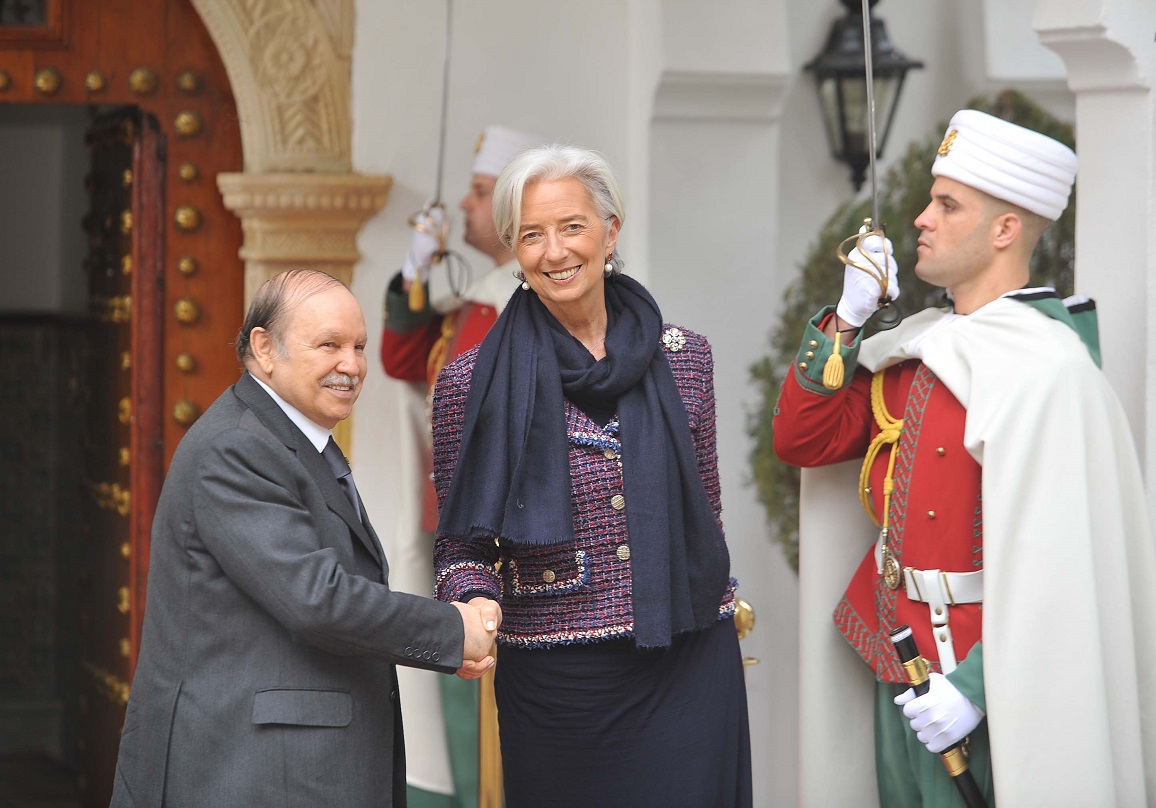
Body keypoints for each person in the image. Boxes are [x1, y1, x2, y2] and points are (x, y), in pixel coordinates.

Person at [773, 110, 1156, 806]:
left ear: (1005, 230)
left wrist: (975, 691)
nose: (921, 218)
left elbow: (1062, 570)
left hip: (997, 678)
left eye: (947, 206)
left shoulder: (1051, 370)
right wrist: (848, 320)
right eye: (930, 199)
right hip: (897, 654)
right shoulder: (920, 347)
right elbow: (805, 440)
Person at [430, 145, 753, 808]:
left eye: (571, 227)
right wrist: (470, 600)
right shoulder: (471, 383)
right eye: (531, 234)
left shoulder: (685, 359)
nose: (554, 252)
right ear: (515, 250)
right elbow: (460, 546)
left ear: (610, 230)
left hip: (688, 661)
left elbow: (706, 513)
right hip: (557, 683)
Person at [109, 269, 501, 808]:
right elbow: (317, 600)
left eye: (359, 346)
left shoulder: (289, 436)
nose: (352, 365)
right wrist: (453, 631)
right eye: (329, 345)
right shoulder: (237, 449)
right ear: (264, 348)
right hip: (251, 774)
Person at [380, 124, 542, 806]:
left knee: (508, 723)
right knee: (460, 703)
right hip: (460, 540)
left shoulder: (532, 300)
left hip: (510, 544)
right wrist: (415, 272)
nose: (466, 207)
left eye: (480, 194)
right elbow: (402, 361)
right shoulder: (476, 300)